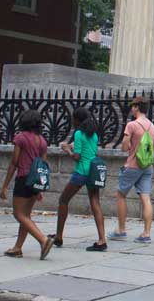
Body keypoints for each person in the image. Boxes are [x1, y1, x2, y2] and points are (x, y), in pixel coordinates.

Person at [0, 109, 55, 260]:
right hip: (35, 180)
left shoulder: (21, 138)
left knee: (19, 214)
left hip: (23, 178)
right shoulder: (42, 140)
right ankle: (17, 248)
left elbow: (14, 162)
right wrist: (40, 188)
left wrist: (5, 185)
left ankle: (43, 240)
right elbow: (43, 164)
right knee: (26, 215)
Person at [51, 107, 107, 251]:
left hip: (81, 171)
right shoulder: (93, 134)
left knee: (63, 200)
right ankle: (102, 240)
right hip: (93, 170)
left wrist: (67, 150)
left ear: (77, 120)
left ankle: (59, 236)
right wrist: (73, 146)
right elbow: (88, 149)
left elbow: (77, 156)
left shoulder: (78, 133)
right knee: (95, 202)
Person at [110, 97, 154, 244]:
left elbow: (124, 146)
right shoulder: (151, 126)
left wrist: (129, 147)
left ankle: (121, 230)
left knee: (121, 195)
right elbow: (153, 147)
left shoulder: (132, 125)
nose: (131, 109)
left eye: (132, 106)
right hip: (147, 166)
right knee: (146, 198)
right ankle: (146, 233)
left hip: (133, 165)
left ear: (136, 107)